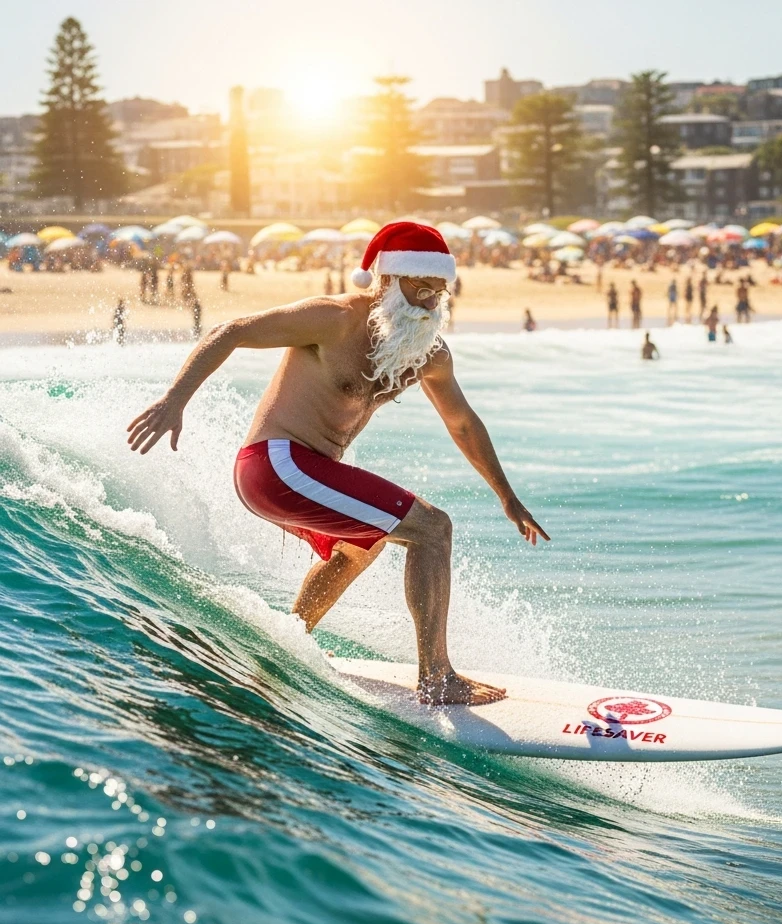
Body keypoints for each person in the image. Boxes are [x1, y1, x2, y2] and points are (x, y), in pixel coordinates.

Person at [127, 223, 547, 706]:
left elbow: (463, 424)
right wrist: (175, 400)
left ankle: (289, 641)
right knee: (432, 528)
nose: (430, 303)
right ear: (387, 282)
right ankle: (437, 678)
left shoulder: (427, 352)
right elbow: (233, 331)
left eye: (438, 292)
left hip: (303, 473)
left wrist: (507, 496)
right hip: (275, 463)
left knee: (361, 547)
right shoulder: (334, 318)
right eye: (420, 289)